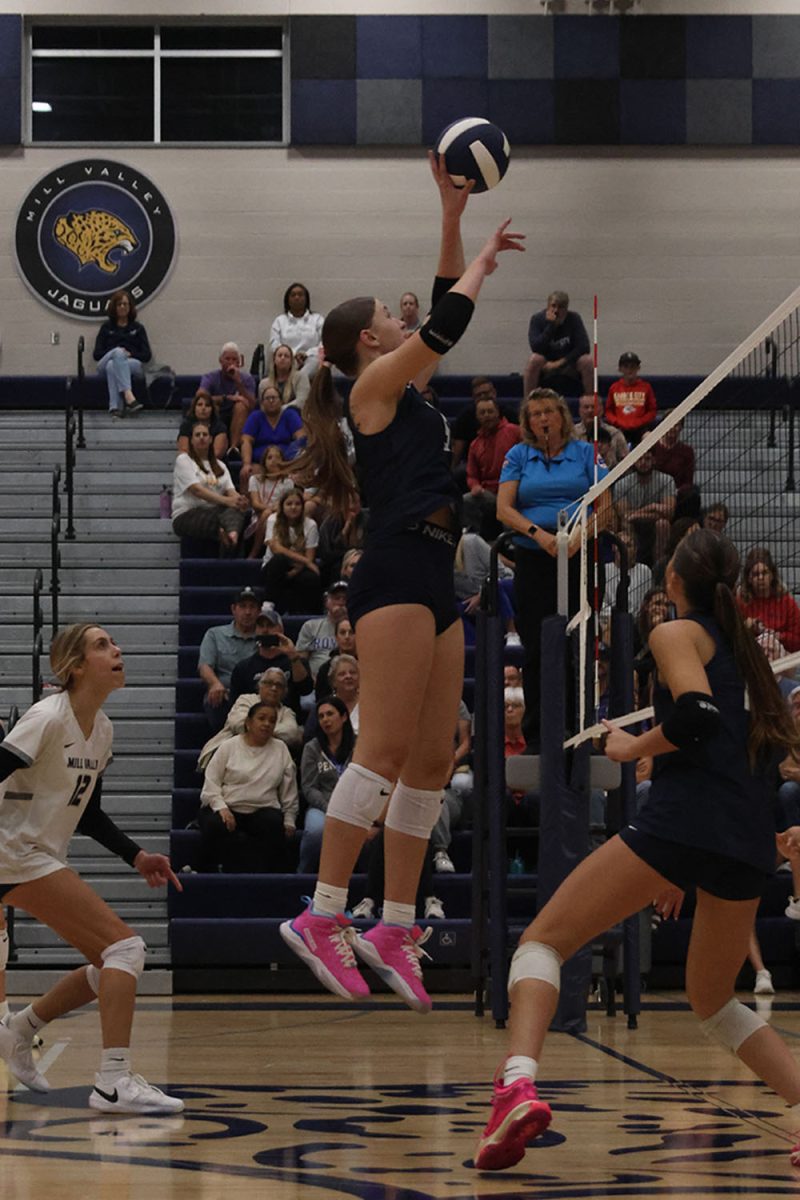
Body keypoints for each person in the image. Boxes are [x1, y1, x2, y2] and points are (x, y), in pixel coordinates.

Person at [279, 152, 524, 1013]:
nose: (399, 312)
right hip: (389, 566)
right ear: (368, 343)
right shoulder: (372, 389)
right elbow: (447, 324)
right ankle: (321, 915)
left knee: (427, 757)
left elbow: (441, 298)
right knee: (380, 750)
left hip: (436, 564)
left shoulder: (405, 384)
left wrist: (456, 226)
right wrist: (481, 269)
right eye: (388, 313)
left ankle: (392, 924)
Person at [474, 528, 800, 1172]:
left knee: (541, 942)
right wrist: (693, 859)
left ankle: (516, 1080)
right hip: (738, 838)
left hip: (688, 820)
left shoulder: (676, 633)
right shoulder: (749, 655)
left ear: (674, 579)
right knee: (712, 1000)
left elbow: (698, 716)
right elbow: (747, 749)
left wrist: (631, 748)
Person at [0, 624, 183, 1113]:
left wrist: (137, 856)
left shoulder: (101, 730)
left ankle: (20, 1028)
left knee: (112, 963)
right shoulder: (47, 717)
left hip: (30, 855)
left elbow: (90, 813)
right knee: (125, 948)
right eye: (102, 645)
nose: (117, 650)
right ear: (75, 666)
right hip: (14, 854)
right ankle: (112, 1082)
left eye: (115, 643)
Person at [497, 388, 610, 748]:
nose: (543, 418)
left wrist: (579, 536)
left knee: (579, 642)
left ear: (562, 415)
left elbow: (606, 509)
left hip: (580, 555)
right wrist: (541, 536)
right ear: (527, 421)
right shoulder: (519, 455)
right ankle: (538, 732)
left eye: (549, 411)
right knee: (537, 643)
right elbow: (504, 509)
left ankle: (580, 726)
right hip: (534, 557)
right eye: (535, 414)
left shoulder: (586, 452)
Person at [198, 701, 298, 873]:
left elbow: (289, 790)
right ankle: (210, 873)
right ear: (248, 723)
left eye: (272, 720)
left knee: (273, 824)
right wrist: (221, 808)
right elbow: (211, 783)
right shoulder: (229, 746)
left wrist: (290, 818)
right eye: (262, 718)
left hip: (262, 809)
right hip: (228, 807)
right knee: (214, 825)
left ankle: (266, 877)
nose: (267, 724)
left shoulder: (280, 749)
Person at [198, 668, 303, 770]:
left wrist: (257, 729)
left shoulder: (286, 712)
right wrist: (271, 732)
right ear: (260, 686)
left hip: (268, 758)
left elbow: (292, 733)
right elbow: (238, 724)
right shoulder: (245, 700)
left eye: (279, 685)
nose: (274, 688)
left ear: (284, 692)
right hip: (234, 752)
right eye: (269, 683)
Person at [171, 423, 248, 555]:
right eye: (197, 435)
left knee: (238, 511)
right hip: (187, 514)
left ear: (211, 439)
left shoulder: (221, 466)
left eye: (205, 435)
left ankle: (231, 536)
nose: (202, 438)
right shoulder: (183, 460)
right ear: (192, 440)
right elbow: (196, 490)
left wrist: (240, 500)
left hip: (214, 510)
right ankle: (230, 535)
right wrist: (226, 501)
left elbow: (231, 492)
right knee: (220, 518)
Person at [298, 697, 356, 873]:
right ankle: (303, 873)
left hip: (354, 806)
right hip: (323, 804)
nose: (325, 720)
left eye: (330, 714)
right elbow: (309, 787)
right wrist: (329, 807)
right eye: (321, 716)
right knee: (316, 831)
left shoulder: (359, 745)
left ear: (344, 717)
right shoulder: (312, 748)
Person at [197, 587, 261, 733]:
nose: (247, 612)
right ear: (233, 609)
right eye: (242, 606)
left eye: (252, 607)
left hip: (256, 694)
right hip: (225, 692)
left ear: (259, 611)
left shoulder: (264, 637)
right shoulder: (215, 634)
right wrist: (214, 684)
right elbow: (204, 666)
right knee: (215, 700)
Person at [463, 390, 521, 542]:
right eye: (482, 412)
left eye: (490, 411)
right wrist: (474, 486)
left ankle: (510, 543)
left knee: (508, 505)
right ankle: (473, 539)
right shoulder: (475, 444)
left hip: (514, 490)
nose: (487, 415)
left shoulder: (514, 431)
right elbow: (472, 474)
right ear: (477, 416)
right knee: (467, 500)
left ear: (498, 413)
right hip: (488, 493)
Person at [228, 610, 312, 711]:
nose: (265, 630)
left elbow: (305, 689)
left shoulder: (296, 661)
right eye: (261, 626)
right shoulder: (243, 667)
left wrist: (293, 656)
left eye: (270, 626)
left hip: (287, 718)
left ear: (281, 629)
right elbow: (234, 704)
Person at [260, 486, 322, 614]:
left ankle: (305, 614)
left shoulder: (310, 524)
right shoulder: (273, 519)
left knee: (312, 578)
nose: (293, 507)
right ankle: (268, 605)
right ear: (282, 506)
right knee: (279, 560)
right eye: (289, 504)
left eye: (297, 504)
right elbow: (276, 549)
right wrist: (306, 561)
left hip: (298, 568)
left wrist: (296, 570)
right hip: (274, 567)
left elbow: (310, 557)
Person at [93, 289, 151, 418]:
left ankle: (115, 408)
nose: (123, 307)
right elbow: (97, 355)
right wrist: (116, 352)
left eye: (126, 304)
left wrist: (130, 354)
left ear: (130, 307)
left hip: (133, 364)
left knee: (112, 366)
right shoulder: (106, 328)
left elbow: (147, 355)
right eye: (119, 304)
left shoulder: (138, 328)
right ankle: (129, 396)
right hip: (106, 361)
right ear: (114, 307)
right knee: (117, 354)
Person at [614, 447, 675, 568]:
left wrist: (638, 513)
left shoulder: (666, 480)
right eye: (639, 459)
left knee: (663, 524)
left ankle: (659, 569)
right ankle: (630, 566)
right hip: (633, 525)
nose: (643, 463)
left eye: (647, 459)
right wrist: (654, 508)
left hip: (655, 525)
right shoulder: (622, 483)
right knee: (626, 522)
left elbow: (669, 512)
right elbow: (624, 514)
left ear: (654, 460)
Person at [523, 291, 592, 399]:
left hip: (569, 363)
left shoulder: (574, 318)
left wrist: (560, 363)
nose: (556, 311)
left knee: (587, 361)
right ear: (548, 306)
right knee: (534, 359)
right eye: (553, 306)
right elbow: (536, 347)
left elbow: (584, 347)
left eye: (561, 307)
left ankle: (589, 399)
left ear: (566, 309)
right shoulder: (537, 319)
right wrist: (551, 326)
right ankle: (528, 400)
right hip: (546, 364)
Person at [269, 282, 324, 407]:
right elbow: (274, 344)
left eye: (300, 295)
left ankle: (293, 388)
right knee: (282, 358)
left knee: (314, 362)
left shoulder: (317, 319)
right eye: (293, 295)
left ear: (306, 299)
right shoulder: (280, 321)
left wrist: (306, 354)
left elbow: (325, 342)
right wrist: (292, 355)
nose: (297, 297)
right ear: (287, 299)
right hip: (288, 359)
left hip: (311, 360)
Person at [197, 343, 257, 458]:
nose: (231, 362)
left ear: (239, 362)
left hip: (239, 415)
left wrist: (239, 383)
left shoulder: (247, 378)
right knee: (210, 405)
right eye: (227, 359)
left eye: (234, 359)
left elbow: (253, 405)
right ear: (220, 360)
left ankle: (233, 448)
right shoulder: (211, 377)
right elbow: (200, 396)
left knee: (241, 406)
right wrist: (227, 398)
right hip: (218, 413)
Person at [240, 383, 304, 488]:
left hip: (286, 463)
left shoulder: (290, 415)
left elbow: (301, 438)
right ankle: (248, 503)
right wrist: (246, 464)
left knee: (300, 473)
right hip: (260, 464)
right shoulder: (255, 417)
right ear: (262, 403)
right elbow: (246, 440)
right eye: (267, 398)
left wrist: (296, 463)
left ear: (281, 401)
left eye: (274, 398)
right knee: (247, 473)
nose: (271, 401)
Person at [738, 547, 800, 653]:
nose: (761, 578)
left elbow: (797, 640)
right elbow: (733, 635)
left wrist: (778, 636)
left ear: (772, 575)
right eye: (756, 574)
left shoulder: (787, 602)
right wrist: (747, 626)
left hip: (781, 657)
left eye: (765, 572)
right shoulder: (741, 602)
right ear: (748, 578)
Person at [245, 445, 296, 558]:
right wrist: (269, 509)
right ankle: (257, 550)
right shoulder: (255, 479)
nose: (274, 461)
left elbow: (284, 503)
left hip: (280, 516)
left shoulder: (288, 482)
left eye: (278, 458)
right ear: (264, 462)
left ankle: (255, 552)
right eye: (270, 457)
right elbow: (255, 503)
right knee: (267, 514)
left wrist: (273, 510)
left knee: (270, 516)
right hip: (258, 516)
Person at [295, 583, 350, 680]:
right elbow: (301, 661)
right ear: (327, 601)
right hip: (314, 682)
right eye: (336, 598)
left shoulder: (356, 628)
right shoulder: (311, 626)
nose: (341, 603)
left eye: (345, 599)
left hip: (347, 680)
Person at [605, 351, 658, 446]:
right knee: (612, 441)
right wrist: (617, 421)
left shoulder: (646, 387)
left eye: (633, 366)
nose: (630, 370)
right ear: (620, 369)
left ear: (638, 368)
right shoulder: (614, 388)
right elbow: (608, 411)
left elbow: (652, 411)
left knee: (649, 438)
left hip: (641, 429)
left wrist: (640, 421)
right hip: (620, 428)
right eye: (626, 366)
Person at [317, 495, 368, 587]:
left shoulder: (367, 519)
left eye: (356, 502)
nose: (353, 506)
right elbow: (326, 553)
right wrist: (346, 529)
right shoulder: (329, 522)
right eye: (349, 502)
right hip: (336, 561)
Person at [573, 394, 628, 470]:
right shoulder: (571, 434)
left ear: (601, 410)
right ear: (580, 411)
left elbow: (626, 463)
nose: (590, 410)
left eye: (593, 407)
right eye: (586, 407)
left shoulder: (615, 434)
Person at [315, 615, 357, 701]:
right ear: (336, 637)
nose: (347, 637)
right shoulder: (325, 669)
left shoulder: (368, 666)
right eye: (342, 632)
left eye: (351, 632)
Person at [176, 391, 228, 460]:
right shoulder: (186, 426)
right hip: (190, 465)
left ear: (212, 409)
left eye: (207, 405)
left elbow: (217, 453)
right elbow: (183, 451)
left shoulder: (220, 427)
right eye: (199, 405)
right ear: (194, 408)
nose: (203, 408)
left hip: (215, 465)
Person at [266, 343, 302, 408]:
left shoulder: (300, 377)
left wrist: (281, 409)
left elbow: (301, 401)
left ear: (291, 361)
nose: (283, 358)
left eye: (286, 356)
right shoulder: (264, 383)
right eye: (280, 355)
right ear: (274, 360)